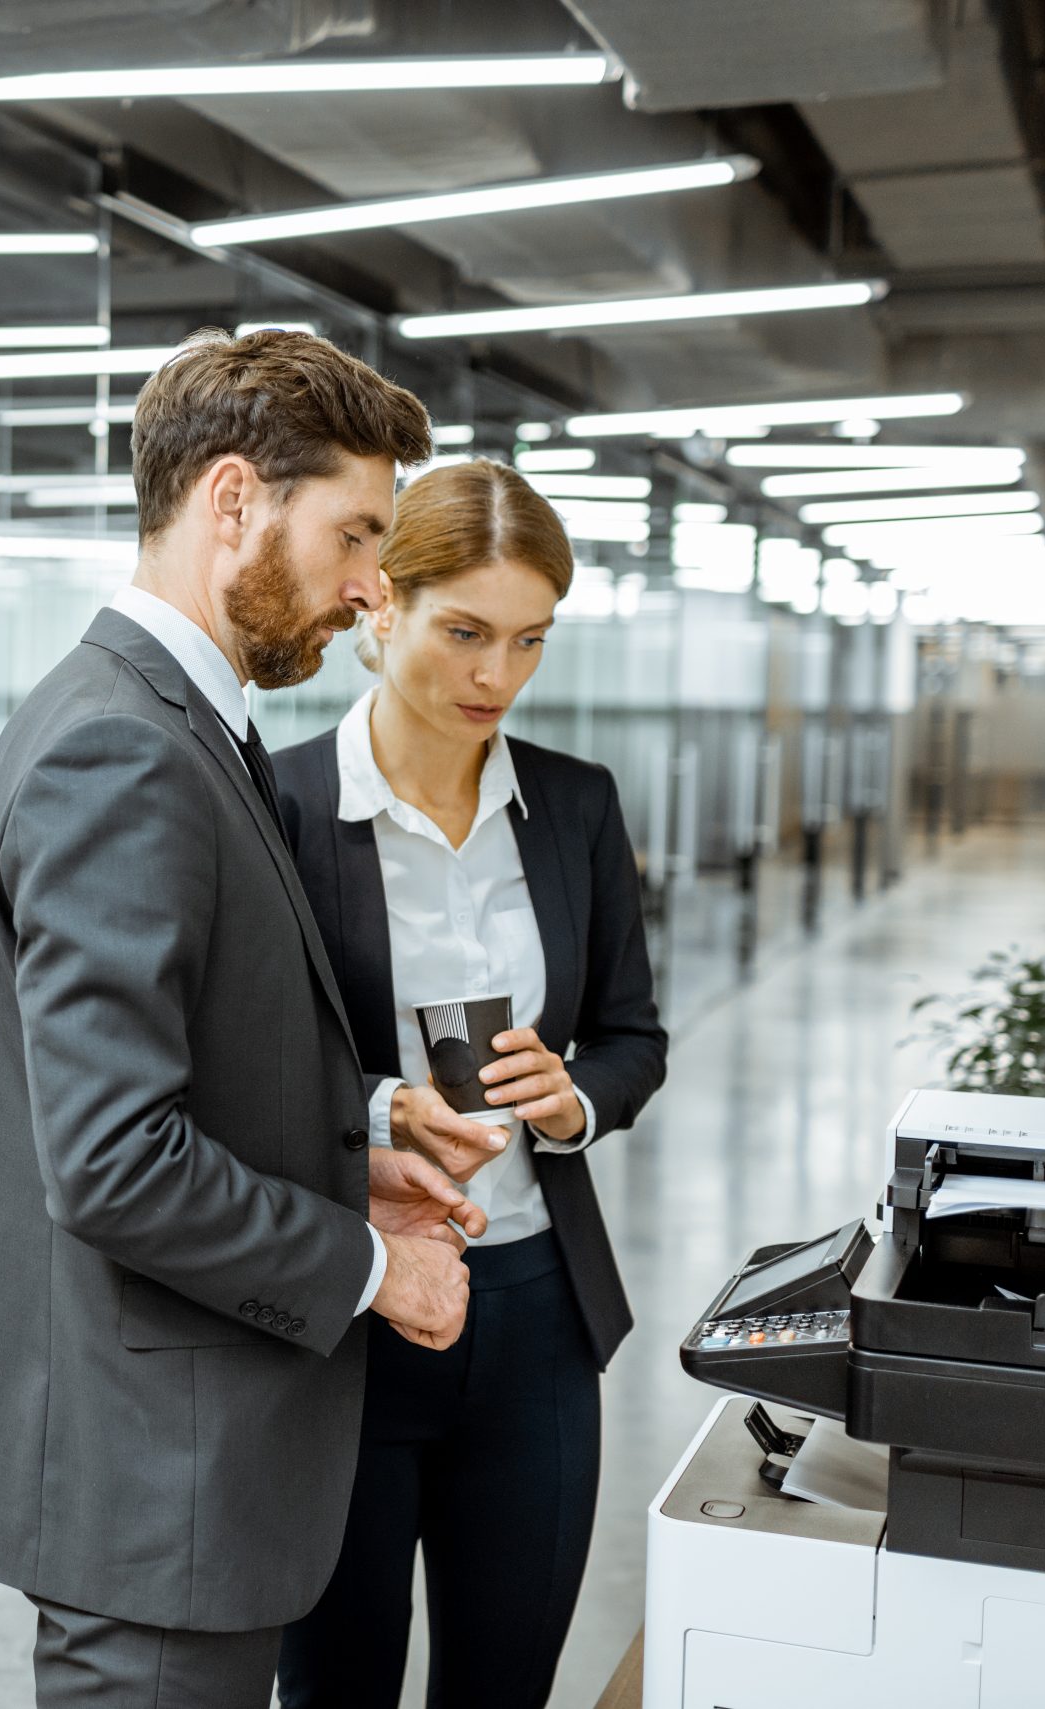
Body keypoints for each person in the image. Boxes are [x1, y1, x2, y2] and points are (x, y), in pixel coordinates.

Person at [0, 328, 487, 1709]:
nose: (371, 590)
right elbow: (112, 1162)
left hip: (166, 1481)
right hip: (149, 1493)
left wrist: (343, 1154)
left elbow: (172, 1072)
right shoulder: (123, 746)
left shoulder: (178, 722)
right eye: (358, 534)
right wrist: (367, 1263)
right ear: (233, 502)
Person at [271, 459, 669, 1708]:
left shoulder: (574, 805)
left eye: (530, 641)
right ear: (380, 603)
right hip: (350, 1314)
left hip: (536, 1310)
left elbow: (631, 1034)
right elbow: (243, 1073)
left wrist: (572, 1097)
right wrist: (379, 1104)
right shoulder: (275, 806)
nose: (496, 677)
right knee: (336, 1681)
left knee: (503, 1681)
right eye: (464, 632)